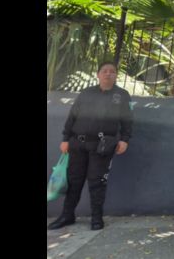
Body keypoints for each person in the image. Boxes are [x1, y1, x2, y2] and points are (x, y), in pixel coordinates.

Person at [48, 61, 134, 231]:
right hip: (77, 144)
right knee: (74, 181)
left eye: (112, 71)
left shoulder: (122, 95)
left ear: (116, 75)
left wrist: (125, 139)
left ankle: (96, 218)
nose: (108, 74)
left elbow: (128, 121)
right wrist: (66, 138)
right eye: (105, 71)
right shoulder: (86, 93)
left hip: (102, 146)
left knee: (97, 183)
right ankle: (67, 215)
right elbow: (73, 116)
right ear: (98, 74)